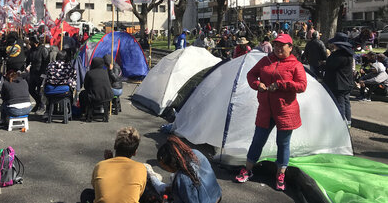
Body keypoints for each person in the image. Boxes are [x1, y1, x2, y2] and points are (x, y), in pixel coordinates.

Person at [236, 33, 307, 191]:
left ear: (290, 47)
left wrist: (282, 85)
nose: (278, 48)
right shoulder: (266, 60)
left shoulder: (295, 65)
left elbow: (302, 86)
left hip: (286, 111)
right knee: (258, 140)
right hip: (266, 110)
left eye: (282, 45)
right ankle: (247, 170)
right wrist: (257, 84)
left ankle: (280, 173)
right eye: (276, 45)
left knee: (283, 144)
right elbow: (251, 74)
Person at [80, 126, 147, 203]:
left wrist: (108, 161)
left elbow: (97, 188)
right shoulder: (141, 168)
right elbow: (139, 193)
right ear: (135, 152)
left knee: (86, 193)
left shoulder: (100, 166)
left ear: (115, 146)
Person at [150, 135, 222, 203]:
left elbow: (192, 200)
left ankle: (151, 176)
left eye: (165, 167)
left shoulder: (182, 178)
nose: (165, 169)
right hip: (216, 196)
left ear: (172, 164)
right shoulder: (195, 153)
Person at [324, 32, 354, 127]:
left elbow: (330, 66)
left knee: (340, 104)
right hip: (347, 82)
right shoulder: (348, 54)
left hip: (338, 84)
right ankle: (348, 122)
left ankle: (341, 123)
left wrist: (325, 62)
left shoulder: (337, 55)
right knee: (346, 102)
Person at [79, 57, 113, 122]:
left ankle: (83, 112)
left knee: (82, 94)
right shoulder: (106, 72)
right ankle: (105, 116)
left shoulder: (89, 73)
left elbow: (86, 86)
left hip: (94, 96)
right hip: (107, 96)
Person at [27, 35, 50, 114]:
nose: (29, 43)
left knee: (40, 91)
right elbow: (28, 60)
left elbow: (46, 62)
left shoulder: (43, 50)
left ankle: (42, 106)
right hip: (33, 72)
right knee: (31, 89)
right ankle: (38, 102)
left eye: (31, 41)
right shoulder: (31, 50)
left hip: (41, 73)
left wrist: (43, 74)